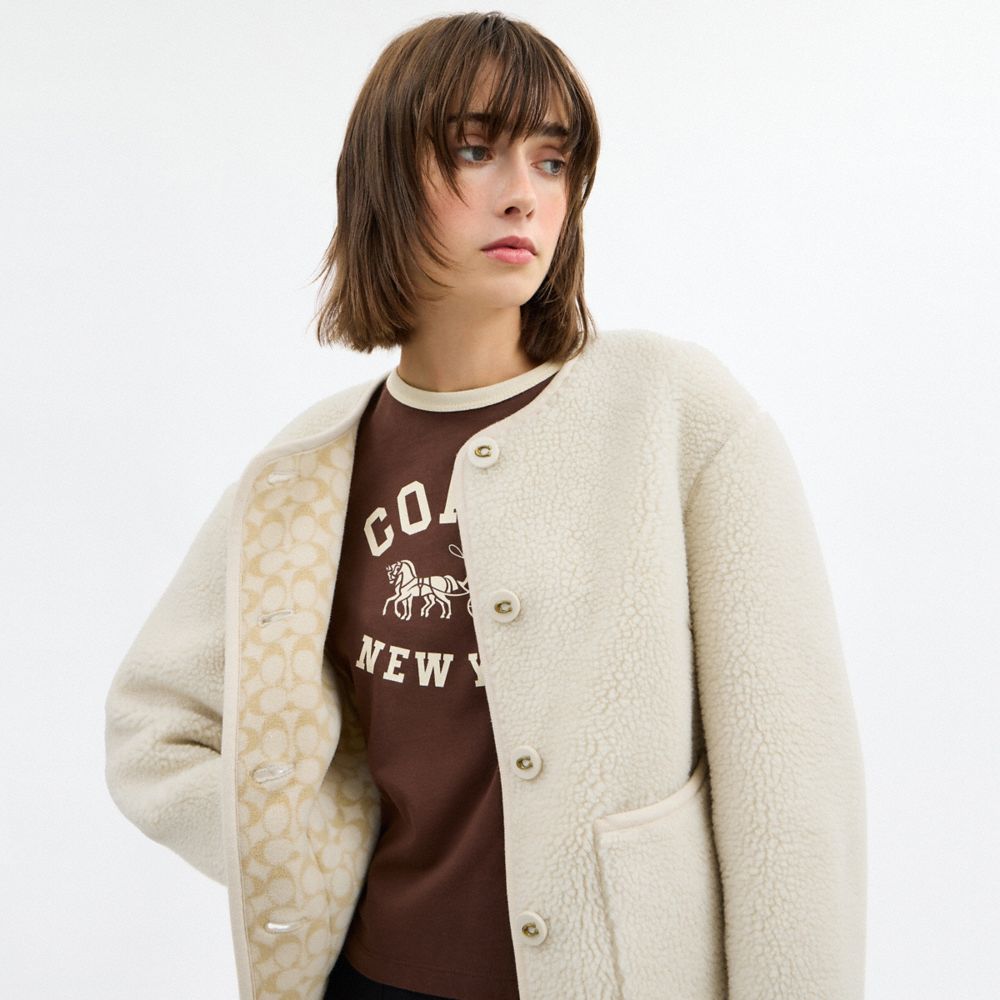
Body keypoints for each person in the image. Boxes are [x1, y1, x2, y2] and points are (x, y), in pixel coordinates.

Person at [104, 11, 867, 1000]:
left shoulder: (673, 416)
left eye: (552, 162)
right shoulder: (305, 471)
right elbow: (155, 724)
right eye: (475, 151)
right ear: (383, 178)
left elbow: (788, 794)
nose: (522, 195)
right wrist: (298, 846)